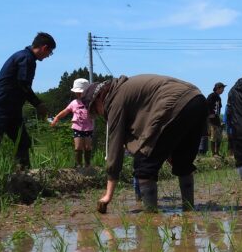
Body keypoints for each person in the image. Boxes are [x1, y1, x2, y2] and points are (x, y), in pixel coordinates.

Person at [81, 74, 207, 212]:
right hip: (197, 100)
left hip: (175, 102)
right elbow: (159, 133)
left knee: (144, 164)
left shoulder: (114, 100)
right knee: (182, 161)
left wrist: (108, 195)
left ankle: (150, 217)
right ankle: (189, 211)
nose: (98, 113)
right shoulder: (125, 89)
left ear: (99, 97)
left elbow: (114, 147)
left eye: (95, 110)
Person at [0, 32, 55, 168]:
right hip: (2, 107)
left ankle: (24, 179)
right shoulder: (26, 59)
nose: (48, 56)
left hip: (12, 109)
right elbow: (23, 84)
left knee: (23, 142)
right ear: (44, 48)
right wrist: (38, 104)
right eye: (49, 53)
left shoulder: (23, 56)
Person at [50, 78, 94, 167]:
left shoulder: (91, 102)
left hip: (88, 128)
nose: (79, 94)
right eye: (77, 92)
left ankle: (87, 164)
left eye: (81, 92)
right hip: (77, 127)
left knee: (88, 146)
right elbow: (65, 111)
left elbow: (99, 111)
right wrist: (57, 118)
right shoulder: (74, 103)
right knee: (78, 147)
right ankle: (78, 164)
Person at [206, 82, 225, 156]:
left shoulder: (218, 97)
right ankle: (213, 153)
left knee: (219, 137)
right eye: (222, 88)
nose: (223, 90)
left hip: (217, 119)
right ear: (218, 88)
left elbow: (218, 109)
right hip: (211, 121)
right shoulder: (211, 96)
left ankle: (217, 152)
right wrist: (208, 115)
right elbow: (206, 105)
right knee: (213, 137)